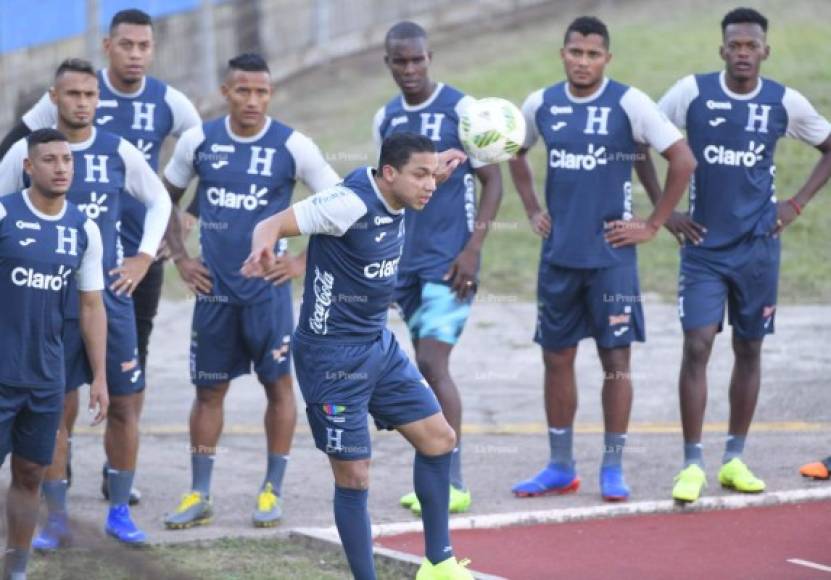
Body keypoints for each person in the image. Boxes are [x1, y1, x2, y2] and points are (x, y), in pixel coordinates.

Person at [242, 132, 473, 579]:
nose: (430, 185)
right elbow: (270, 224)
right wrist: (263, 246)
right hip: (330, 358)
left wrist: (437, 165)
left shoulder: (404, 189)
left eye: (432, 176)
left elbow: (426, 174)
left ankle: (439, 565)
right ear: (389, 174)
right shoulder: (347, 203)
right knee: (355, 476)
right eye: (419, 176)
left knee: (440, 439)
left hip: (376, 344)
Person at [0, 8, 201, 504]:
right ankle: (56, 500)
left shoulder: (127, 141)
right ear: (55, 98)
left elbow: (170, 185)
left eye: (90, 95)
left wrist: (147, 254)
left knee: (124, 394)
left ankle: (119, 497)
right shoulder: (30, 152)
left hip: (115, 286)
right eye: (74, 94)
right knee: (57, 404)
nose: (84, 102)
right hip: (49, 297)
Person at [638, 7, 831, 503]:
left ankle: (735, 458)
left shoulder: (783, 101)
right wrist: (668, 211)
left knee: (749, 348)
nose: (743, 53)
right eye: (735, 45)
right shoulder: (691, 93)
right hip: (703, 249)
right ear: (721, 49)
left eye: (752, 45)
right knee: (698, 344)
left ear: (765, 50)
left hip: (759, 250)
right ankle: (691, 464)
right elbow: (643, 141)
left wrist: (796, 204)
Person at [508, 16, 696, 501]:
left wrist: (653, 224)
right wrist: (532, 209)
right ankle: (559, 466)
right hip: (559, 258)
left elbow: (683, 159)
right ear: (563, 53)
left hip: (612, 259)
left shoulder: (630, 102)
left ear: (606, 59)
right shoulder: (541, 103)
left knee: (616, 362)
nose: (583, 62)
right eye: (575, 52)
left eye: (593, 54)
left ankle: (612, 468)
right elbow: (513, 149)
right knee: (557, 359)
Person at [161, 53, 339, 529]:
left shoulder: (293, 146)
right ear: (225, 92)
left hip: (268, 297)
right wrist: (181, 257)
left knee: (278, 387)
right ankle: (199, 492)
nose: (252, 101)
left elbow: (343, 205)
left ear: (271, 94)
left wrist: (301, 261)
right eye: (243, 91)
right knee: (208, 391)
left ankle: (270, 490)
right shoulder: (199, 141)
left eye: (262, 92)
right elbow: (164, 198)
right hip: (214, 295)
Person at [373, 21, 503, 515]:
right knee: (421, 370)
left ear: (430, 57)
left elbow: (493, 182)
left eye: (418, 59)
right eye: (400, 61)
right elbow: (388, 193)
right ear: (388, 63)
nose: (410, 68)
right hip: (405, 264)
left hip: (451, 264)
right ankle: (433, 475)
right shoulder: (386, 118)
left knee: (432, 364)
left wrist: (472, 248)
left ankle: (454, 479)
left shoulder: (463, 110)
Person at [0, 129, 108, 580]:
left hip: (47, 378)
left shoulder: (83, 227)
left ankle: (16, 570)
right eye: (50, 160)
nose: (61, 167)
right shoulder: (3, 215)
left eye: (67, 159)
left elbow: (91, 305)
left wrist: (100, 375)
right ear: (29, 166)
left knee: (29, 475)